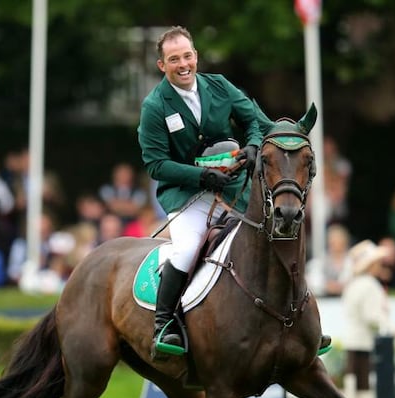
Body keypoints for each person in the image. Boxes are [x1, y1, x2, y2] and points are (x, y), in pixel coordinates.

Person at [138, 26, 328, 357]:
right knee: (186, 249)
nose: (182, 64)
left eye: (186, 56)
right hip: (187, 196)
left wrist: (254, 146)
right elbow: (156, 166)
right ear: (162, 65)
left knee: (277, 236)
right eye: (173, 59)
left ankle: (303, 323)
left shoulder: (219, 86)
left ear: (195, 57)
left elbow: (256, 122)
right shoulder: (155, 106)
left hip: (235, 189)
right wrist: (201, 177)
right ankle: (164, 324)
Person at [341, 240, 392, 398]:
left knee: (353, 390)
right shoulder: (370, 285)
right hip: (364, 345)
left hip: (352, 344)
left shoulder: (353, 284)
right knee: (364, 392)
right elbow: (373, 317)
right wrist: (389, 329)